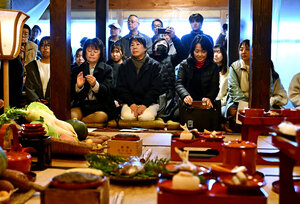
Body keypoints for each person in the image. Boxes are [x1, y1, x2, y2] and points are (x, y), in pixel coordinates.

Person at [116, 36, 162, 121]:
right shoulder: (124, 66)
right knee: (128, 118)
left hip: (150, 103)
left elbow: (156, 88)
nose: (134, 47)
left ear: (145, 48)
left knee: (145, 118)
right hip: (129, 102)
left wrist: (144, 105)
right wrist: (132, 104)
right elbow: (121, 87)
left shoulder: (155, 65)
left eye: (138, 44)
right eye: (132, 45)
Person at [71, 38, 116, 123]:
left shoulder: (107, 69)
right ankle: (81, 123)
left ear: (100, 53)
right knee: (72, 114)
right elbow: (72, 95)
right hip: (82, 106)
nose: (92, 54)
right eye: (89, 50)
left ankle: (81, 124)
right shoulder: (77, 70)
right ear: (85, 52)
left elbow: (107, 91)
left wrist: (95, 85)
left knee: (101, 117)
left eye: (95, 51)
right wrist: (78, 87)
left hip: (101, 106)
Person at [150, 27, 185, 120]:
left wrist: (174, 37)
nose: (163, 44)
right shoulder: (148, 59)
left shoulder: (171, 59)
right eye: (159, 43)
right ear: (154, 47)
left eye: (165, 43)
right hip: (152, 94)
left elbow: (182, 53)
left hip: (168, 94)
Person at [176, 34, 219, 108]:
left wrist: (209, 97)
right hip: (188, 102)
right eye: (197, 51)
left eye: (203, 51)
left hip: (205, 102)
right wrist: (185, 95)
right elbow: (179, 84)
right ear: (192, 50)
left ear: (208, 51)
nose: (200, 54)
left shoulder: (214, 66)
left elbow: (215, 87)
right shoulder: (184, 64)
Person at [225, 39, 250, 131]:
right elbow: (233, 88)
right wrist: (244, 104)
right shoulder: (234, 66)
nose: (243, 52)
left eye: (247, 49)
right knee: (234, 110)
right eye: (241, 49)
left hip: (254, 100)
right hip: (237, 99)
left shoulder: (259, 65)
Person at [24, 36, 51, 106]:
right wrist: (36, 100)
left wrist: (49, 100)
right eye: (42, 45)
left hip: (54, 103)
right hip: (35, 104)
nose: (45, 48)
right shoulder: (32, 66)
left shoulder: (59, 66)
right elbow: (29, 87)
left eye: (48, 45)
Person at [214, 44, 229, 116]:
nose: (215, 55)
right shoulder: (209, 71)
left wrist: (219, 103)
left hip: (222, 104)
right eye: (214, 52)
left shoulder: (229, 72)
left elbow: (229, 94)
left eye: (218, 52)